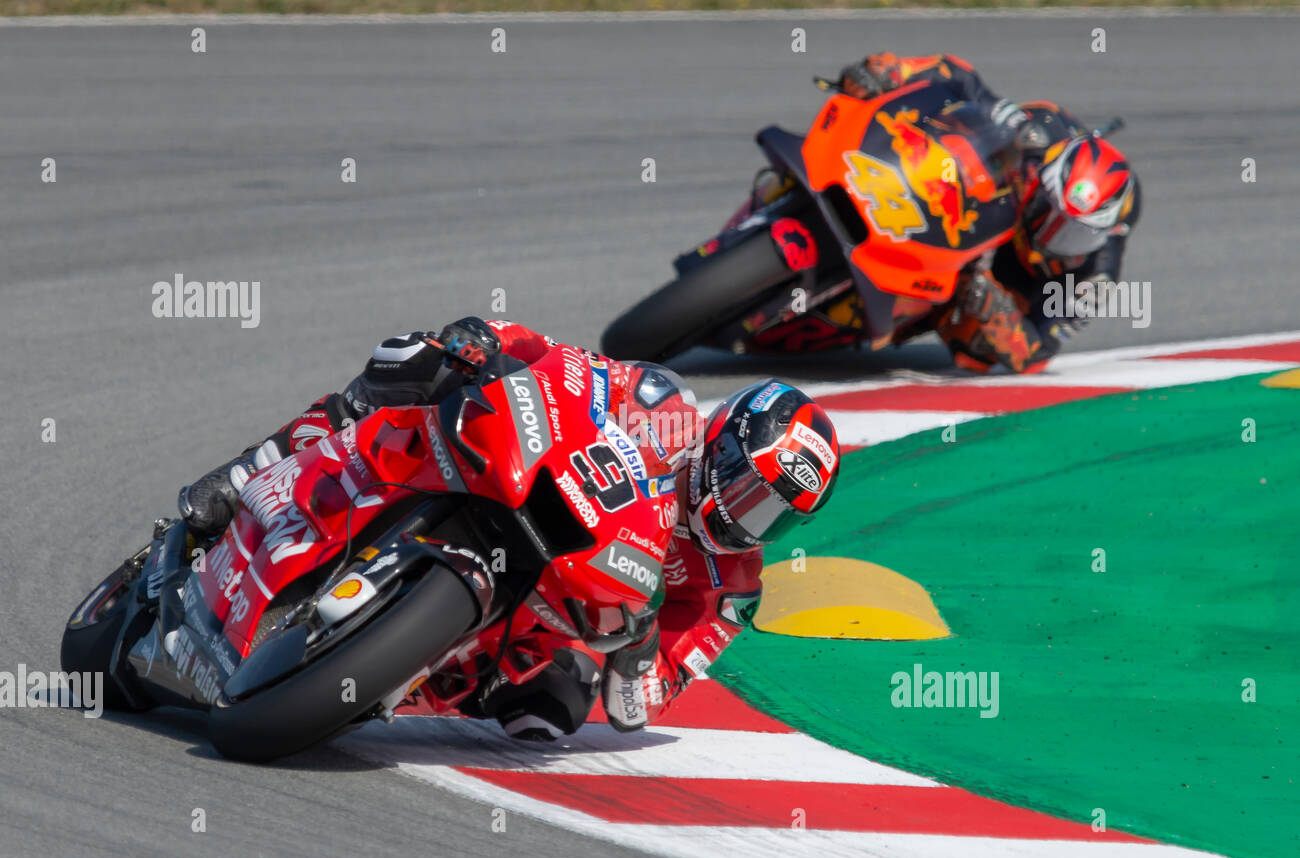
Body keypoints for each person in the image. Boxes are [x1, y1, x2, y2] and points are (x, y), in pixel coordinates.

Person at [179, 317, 841, 740]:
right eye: (746, 483)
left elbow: (641, 708)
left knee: (555, 709)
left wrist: (638, 647)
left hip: (558, 613)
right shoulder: (662, 407)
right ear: (721, 438)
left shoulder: (731, 591)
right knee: (412, 366)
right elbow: (564, 365)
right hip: (528, 488)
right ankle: (249, 472)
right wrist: (490, 344)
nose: (742, 511)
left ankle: (395, 671)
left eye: (771, 512)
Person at [839, 52, 1141, 373]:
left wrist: (998, 313)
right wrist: (893, 73)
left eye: (1075, 234)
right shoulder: (1041, 131)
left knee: (978, 349)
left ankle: (881, 317)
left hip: (1003, 275)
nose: (1052, 236)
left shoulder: (1094, 280)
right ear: (1044, 180)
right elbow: (962, 81)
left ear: (1103, 233)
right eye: (1050, 214)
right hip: (981, 205)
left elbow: (1037, 354)